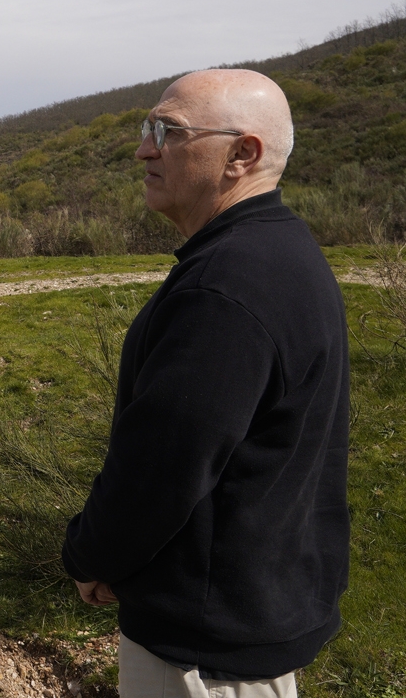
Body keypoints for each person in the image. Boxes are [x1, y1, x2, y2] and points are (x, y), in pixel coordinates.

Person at [62, 69, 349, 698]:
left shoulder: (225, 288)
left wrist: (90, 556)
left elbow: (161, 470)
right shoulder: (281, 251)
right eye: (148, 128)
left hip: (203, 656)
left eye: (168, 132)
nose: (144, 149)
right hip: (245, 621)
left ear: (241, 155)